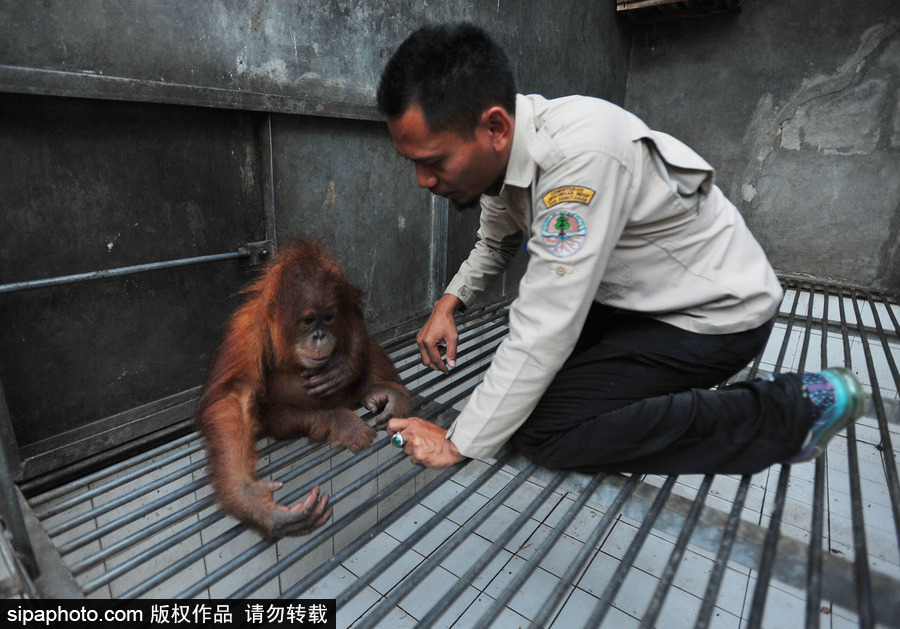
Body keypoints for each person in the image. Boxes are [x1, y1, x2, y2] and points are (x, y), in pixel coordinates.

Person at [379, 22, 866, 474]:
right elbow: (495, 241)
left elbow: (547, 321)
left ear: (495, 128)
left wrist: (459, 441)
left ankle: (796, 409)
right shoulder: (506, 161)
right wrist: (449, 304)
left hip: (713, 314)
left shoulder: (576, 159)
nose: (423, 181)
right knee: (528, 397)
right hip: (635, 298)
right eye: (412, 164)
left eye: (435, 161)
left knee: (545, 432)